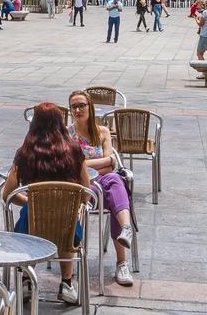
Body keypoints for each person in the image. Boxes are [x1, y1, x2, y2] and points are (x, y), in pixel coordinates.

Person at [3, 103, 90, 305]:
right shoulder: (74, 151)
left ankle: (25, 281)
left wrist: (29, 201)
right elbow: (86, 193)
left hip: (31, 225)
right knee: (67, 223)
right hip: (67, 226)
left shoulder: (25, 153)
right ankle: (66, 283)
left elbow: (8, 194)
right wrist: (72, 203)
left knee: (27, 226)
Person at [67, 92, 137, 288]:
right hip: (81, 187)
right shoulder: (67, 134)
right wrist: (102, 162)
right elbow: (73, 166)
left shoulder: (103, 132)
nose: (77, 110)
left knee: (116, 182)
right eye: (73, 107)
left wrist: (85, 163)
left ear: (90, 106)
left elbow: (111, 167)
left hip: (103, 182)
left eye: (81, 105)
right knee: (113, 189)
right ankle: (120, 258)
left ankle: (124, 244)